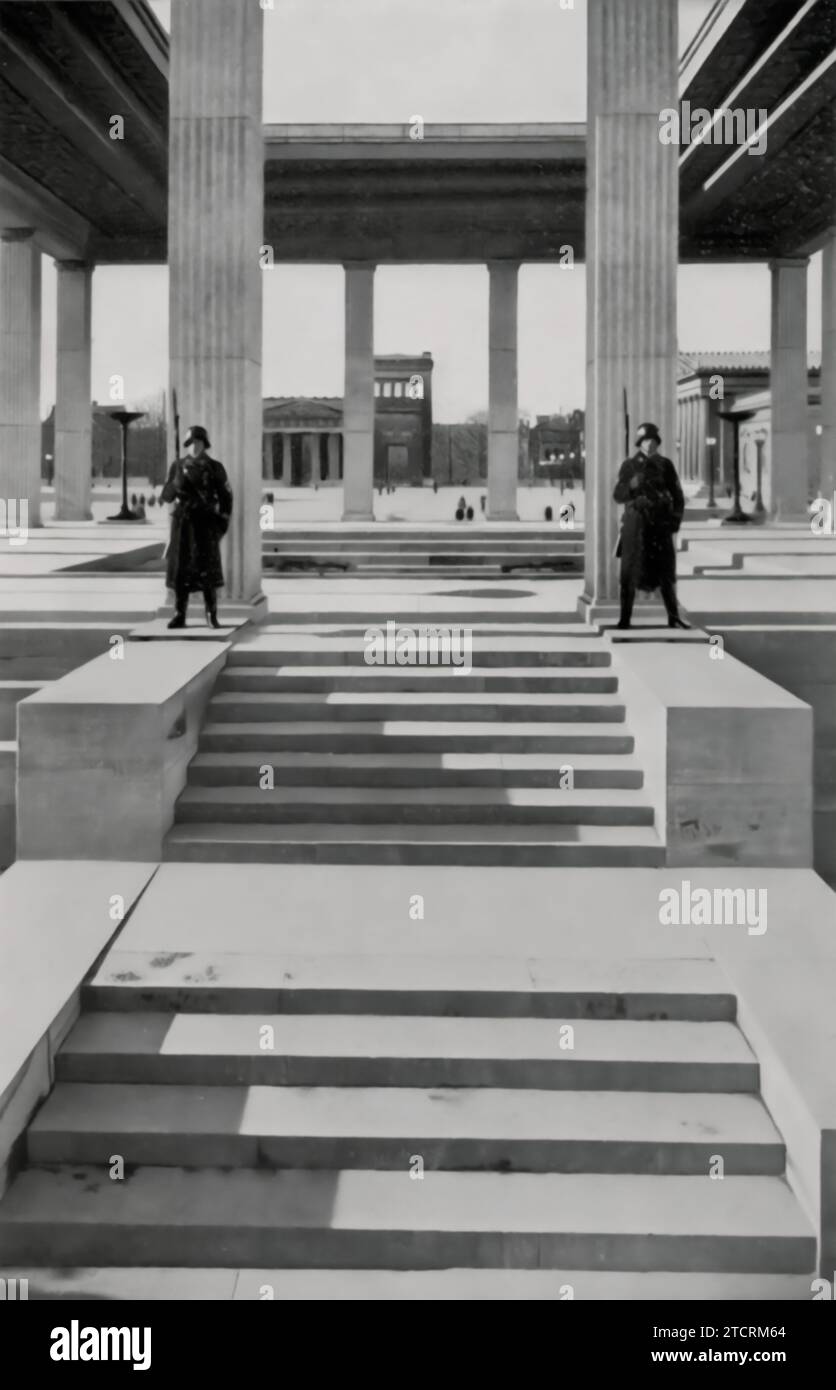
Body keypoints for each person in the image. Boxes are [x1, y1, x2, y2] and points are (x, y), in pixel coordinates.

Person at [613, 421, 689, 630]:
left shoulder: (666, 465)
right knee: (629, 575)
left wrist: (674, 521)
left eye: (654, 440)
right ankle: (624, 619)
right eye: (646, 440)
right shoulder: (629, 466)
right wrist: (631, 485)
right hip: (636, 527)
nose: (650, 444)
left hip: (659, 526)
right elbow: (618, 495)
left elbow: (678, 496)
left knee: (665, 575)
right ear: (639, 442)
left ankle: (673, 616)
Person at [160, 424, 232, 629]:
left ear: (205, 444)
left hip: (205, 523)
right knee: (181, 570)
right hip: (183, 524)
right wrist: (174, 482)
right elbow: (167, 497)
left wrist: (221, 524)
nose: (195, 446)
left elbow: (226, 497)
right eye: (191, 442)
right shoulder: (177, 466)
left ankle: (211, 614)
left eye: (198, 442)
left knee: (207, 570)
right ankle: (179, 614)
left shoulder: (215, 467)